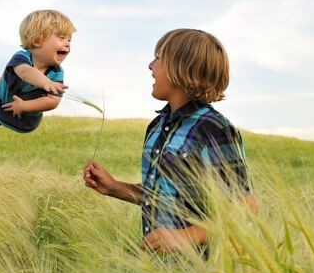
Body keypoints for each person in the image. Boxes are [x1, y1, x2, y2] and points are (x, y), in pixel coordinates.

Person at [83, 28, 256, 253]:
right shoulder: (157, 127)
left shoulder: (213, 128)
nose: (150, 65)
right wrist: (115, 187)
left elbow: (247, 206)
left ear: (180, 68)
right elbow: (163, 198)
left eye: (158, 58)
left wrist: (185, 237)